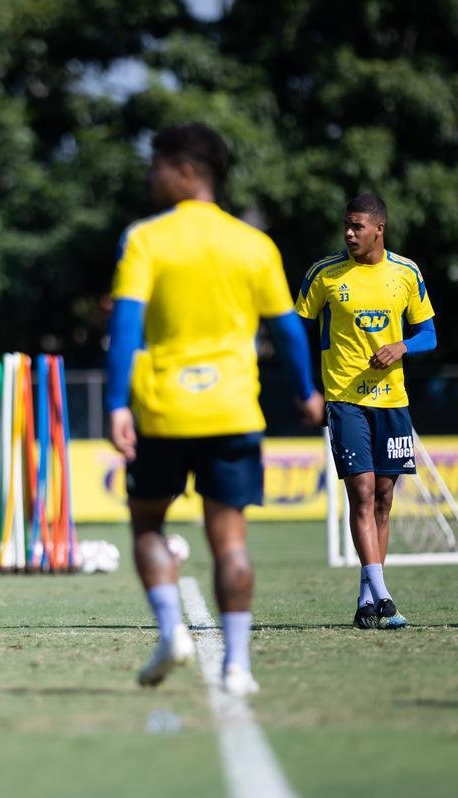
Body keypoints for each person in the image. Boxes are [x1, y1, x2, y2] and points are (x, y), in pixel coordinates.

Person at [106, 123, 323, 696]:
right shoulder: (254, 244)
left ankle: (172, 631)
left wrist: (114, 402)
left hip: (163, 411)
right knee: (230, 543)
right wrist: (306, 391)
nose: (150, 175)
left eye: (157, 164)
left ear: (185, 171)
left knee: (147, 523)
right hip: (232, 411)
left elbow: (126, 324)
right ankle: (238, 666)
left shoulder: (146, 239)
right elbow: (290, 332)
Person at [295, 193, 436, 630]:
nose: (349, 233)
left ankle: (365, 601)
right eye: (346, 225)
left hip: (393, 401)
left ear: (379, 229)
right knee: (361, 492)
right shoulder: (324, 273)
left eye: (358, 226)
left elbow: (429, 334)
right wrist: (309, 386)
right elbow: (298, 328)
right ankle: (386, 597)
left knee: (383, 501)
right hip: (345, 399)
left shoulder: (406, 273)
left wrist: (403, 346)